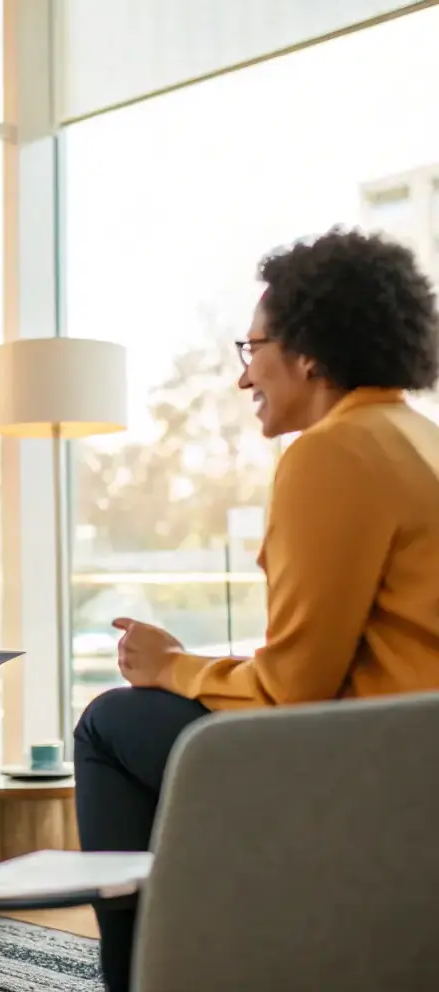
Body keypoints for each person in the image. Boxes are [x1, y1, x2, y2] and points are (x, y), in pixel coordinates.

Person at [74, 227, 439, 991]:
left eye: (252, 348)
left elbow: (294, 691)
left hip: (380, 774)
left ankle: (149, 977)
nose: (246, 378)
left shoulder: (333, 452)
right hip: (415, 748)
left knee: (111, 721)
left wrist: (172, 666)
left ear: (309, 352)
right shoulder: (417, 438)